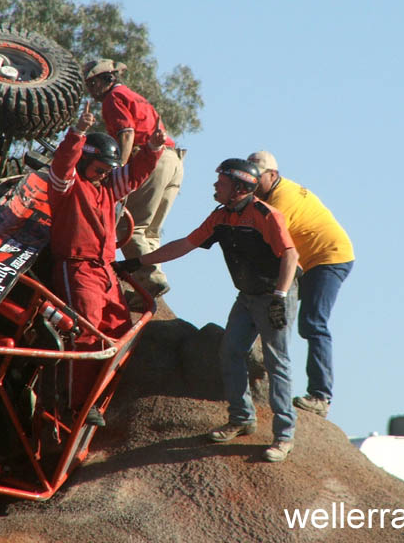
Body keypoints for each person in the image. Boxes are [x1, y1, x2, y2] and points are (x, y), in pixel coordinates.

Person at [113, 159, 300, 462]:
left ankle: (284, 437)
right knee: (230, 351)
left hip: (275, 295)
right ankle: (241, 419)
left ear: (239, 189)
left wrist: (279, 297)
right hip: (248, 296)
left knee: (277, 363)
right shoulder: (221, 216)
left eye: (221, 183)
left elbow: (290, 256)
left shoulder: (267, 215)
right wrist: (136, 263)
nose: (215, 186)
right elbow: (184, 244)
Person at [48, 102, 166, 426]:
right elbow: (61, 165)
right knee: (85, 327)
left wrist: (153, 149)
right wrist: (77, 133)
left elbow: (134, 175)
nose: (103, 175)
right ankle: (73, 405)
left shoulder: (107, 189)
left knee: (119, 330)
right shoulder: (68, 186)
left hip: (105, 271)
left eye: (106, 171)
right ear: (84, 159)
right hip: (77, 268)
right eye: (98, 168)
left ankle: (96, 401)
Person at [247, 150, 354, 419]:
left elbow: (271, 249)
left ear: (272, 175)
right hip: (311, 260)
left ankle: (320, 396)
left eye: (257, 178)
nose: (252, 183)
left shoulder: (283, 200)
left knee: (312, 323)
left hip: (329, 257)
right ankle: (261, 359)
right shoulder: (269, 195)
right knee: (281, 307)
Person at [82, 58, 184, 300]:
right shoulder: (131, 95)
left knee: (130, 226)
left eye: (92, 83)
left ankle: (150, 281)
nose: (90, 89)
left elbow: (126, 135)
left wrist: (119, 171)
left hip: (152, 159)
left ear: (104, 80)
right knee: (150, 231)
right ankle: (152, 281)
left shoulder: (112, 99)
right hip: (174, 159)